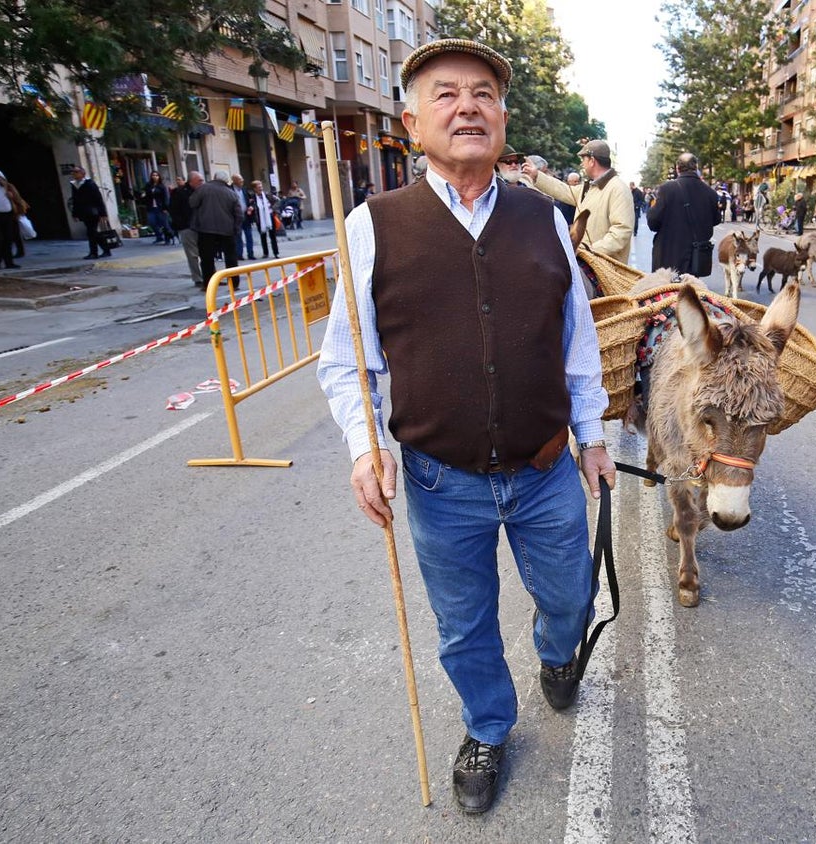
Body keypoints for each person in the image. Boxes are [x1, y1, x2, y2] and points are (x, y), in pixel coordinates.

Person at [316, 38, 614, 816]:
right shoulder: (374, 224)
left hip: (546, 468)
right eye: (445, 94)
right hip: (441, 482)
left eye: (483, 93)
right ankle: (487, 724)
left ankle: (557, 655)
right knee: (464, 624)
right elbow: (348, 361)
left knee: (571, 595)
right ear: (412, 122)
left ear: (502, 117)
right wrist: (363, 449)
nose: (468, 106)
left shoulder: (545, 218)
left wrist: (593, 436)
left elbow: (576, 339)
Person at [523, 138, 635, 262]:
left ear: (592, 161)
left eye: (583, 160)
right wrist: (536, 175)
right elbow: (563, 190)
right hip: (589, 263)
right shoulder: (590, 188)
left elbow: (622, 230)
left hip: (606, 269)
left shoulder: (618, 188)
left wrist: (591, 251)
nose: (582, 164)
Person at [646, 152, 720, 275]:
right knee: (690, 292)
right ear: (696, 168)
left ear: (677, 168)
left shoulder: (666, 189)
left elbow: (653, 222)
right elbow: (716, 219)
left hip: (668, 258)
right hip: (696, 258)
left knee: (668, 293)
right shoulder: (710, 193)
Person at [189, 169, 241, 289]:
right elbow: (239, 214)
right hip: (227, 230)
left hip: (206, 230)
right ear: (227, 180)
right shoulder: (231, 193)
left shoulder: (203, 188)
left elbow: (192, 203)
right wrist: (236, 228)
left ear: (214, 177)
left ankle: (208, 284)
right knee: (231, 258)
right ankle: (234, 283)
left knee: (207, 258)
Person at [68, 165, 111, 260]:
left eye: (76, 172)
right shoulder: (74, 184)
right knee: (92, 232)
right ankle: (105, 249)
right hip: (84, 212)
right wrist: (74, 214)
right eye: (73, 172)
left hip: (93, 212)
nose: (73, 174)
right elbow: (75, 200)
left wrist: (103, 213)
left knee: (91, 232)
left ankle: (94, 252)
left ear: (82, 173)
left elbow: (98, 198)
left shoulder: (90, 184)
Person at [169, 171, 204, 287]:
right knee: (192, 254)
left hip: (202, 226)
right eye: (199, 180)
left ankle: (209, 275)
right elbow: (174, 210)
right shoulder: (179, 193)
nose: (202, 182)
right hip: (187, 227)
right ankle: (197, 278)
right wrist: (182, 225)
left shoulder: (203, 191)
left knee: (206, 252)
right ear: (191, 181)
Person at [248, 179, 280, 260]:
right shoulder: (252, 197)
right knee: (263, 236)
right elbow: (251, 205)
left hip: (270, 217)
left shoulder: (267, 195)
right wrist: (251, 208)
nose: (260, 188)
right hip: (260, 219)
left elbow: (278, 201)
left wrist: (273, 209)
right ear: (254, 189)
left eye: (261, 186)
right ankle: (265, 253)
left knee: (273, 236)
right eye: (258, 187)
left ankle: (276, 253)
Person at [138, 171, 173, 244]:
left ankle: (168, 238)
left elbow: (165, 197)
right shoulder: (148, 185)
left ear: (159, 177)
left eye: (156, 175)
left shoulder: (162, 186)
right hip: (151, 207)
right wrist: (143, 195)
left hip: (160, 208)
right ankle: (159, 236)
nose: (155, 177)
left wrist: (165, 208)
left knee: (164, 223)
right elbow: (144, 193)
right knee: (152, 222)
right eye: (153, 175)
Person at [231, 174, 256, 260]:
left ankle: (250, 254)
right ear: (234, 181)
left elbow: (250, 201)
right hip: (236, 216)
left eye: (242, 179)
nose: (242, 181)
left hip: (246, 215)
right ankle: (239, 254)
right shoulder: (230, 190)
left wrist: (250, 206)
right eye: (239, 180)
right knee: (238, 236)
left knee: (249, 235)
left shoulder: (244, 190)